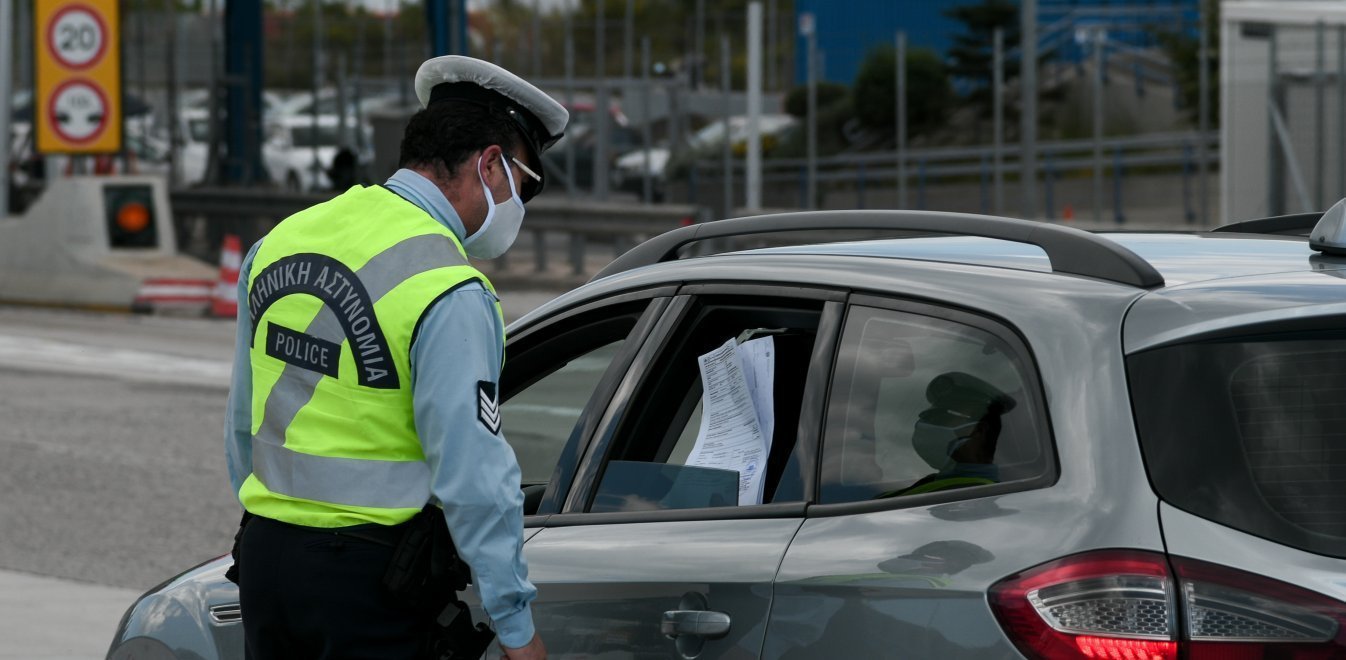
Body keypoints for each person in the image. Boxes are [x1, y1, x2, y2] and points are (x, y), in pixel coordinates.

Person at [223, 55, 566, 660]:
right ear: (489, 164)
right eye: (527, 185)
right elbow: (475, 478)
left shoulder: (281, 239)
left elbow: (241, 426)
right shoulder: (448, 286)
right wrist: (516, 628)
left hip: (266, 565)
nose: (522, 203)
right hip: (370, 584)